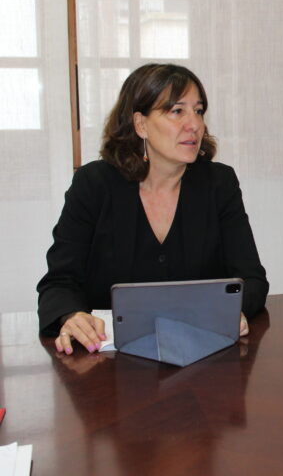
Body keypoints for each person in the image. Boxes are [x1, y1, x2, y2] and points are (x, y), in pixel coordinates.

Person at [38, 63, 269, 355]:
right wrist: (72, 316)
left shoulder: (218, 184)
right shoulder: (94, 185)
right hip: (109, 367)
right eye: (176, 111)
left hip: (203, 360)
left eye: (198, 111)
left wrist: (234, 311)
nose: (194, 124)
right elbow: (59, 282)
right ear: (141, 124)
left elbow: (252, 280)